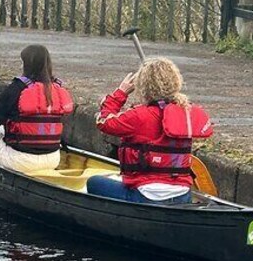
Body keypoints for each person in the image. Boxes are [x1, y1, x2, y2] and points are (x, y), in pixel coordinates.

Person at [87, 57, 213, 204]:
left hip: (146, 196)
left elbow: (104, 122)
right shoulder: (186, 113)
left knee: (93, 182)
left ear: (143, 86)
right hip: (182, 195)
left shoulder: (138, 116)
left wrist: (120, 93)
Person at [0, 45, 74, 174]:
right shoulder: (56, 89)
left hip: (23, 162)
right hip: (53, 159)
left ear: (26, 64)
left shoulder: (18, 88)